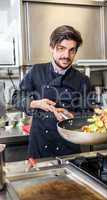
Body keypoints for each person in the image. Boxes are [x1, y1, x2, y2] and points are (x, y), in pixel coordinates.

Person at [12, 25, 91, 159]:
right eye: (61, 48)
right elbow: (16, 97)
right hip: (39, 149)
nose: (66, 55)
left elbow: (90, 114)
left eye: (72, 50)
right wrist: (34, 103)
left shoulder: (82, 80)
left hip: (69, 150)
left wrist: (72, 116)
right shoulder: (36, 71)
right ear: (51, 47)